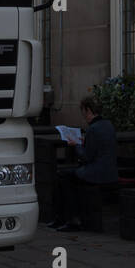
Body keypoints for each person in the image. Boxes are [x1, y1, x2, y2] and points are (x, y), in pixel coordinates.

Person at [48, 97, 119, 230]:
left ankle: (70, 218)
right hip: (110, 172)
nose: (84, 117)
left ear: (88, 110)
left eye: (83, 112)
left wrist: (76, 145)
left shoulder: (93, 129)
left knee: (62, 177)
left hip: (96, 174)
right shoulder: (109, 125)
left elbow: (86, 157)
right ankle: (65, 218)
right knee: (68, 176)